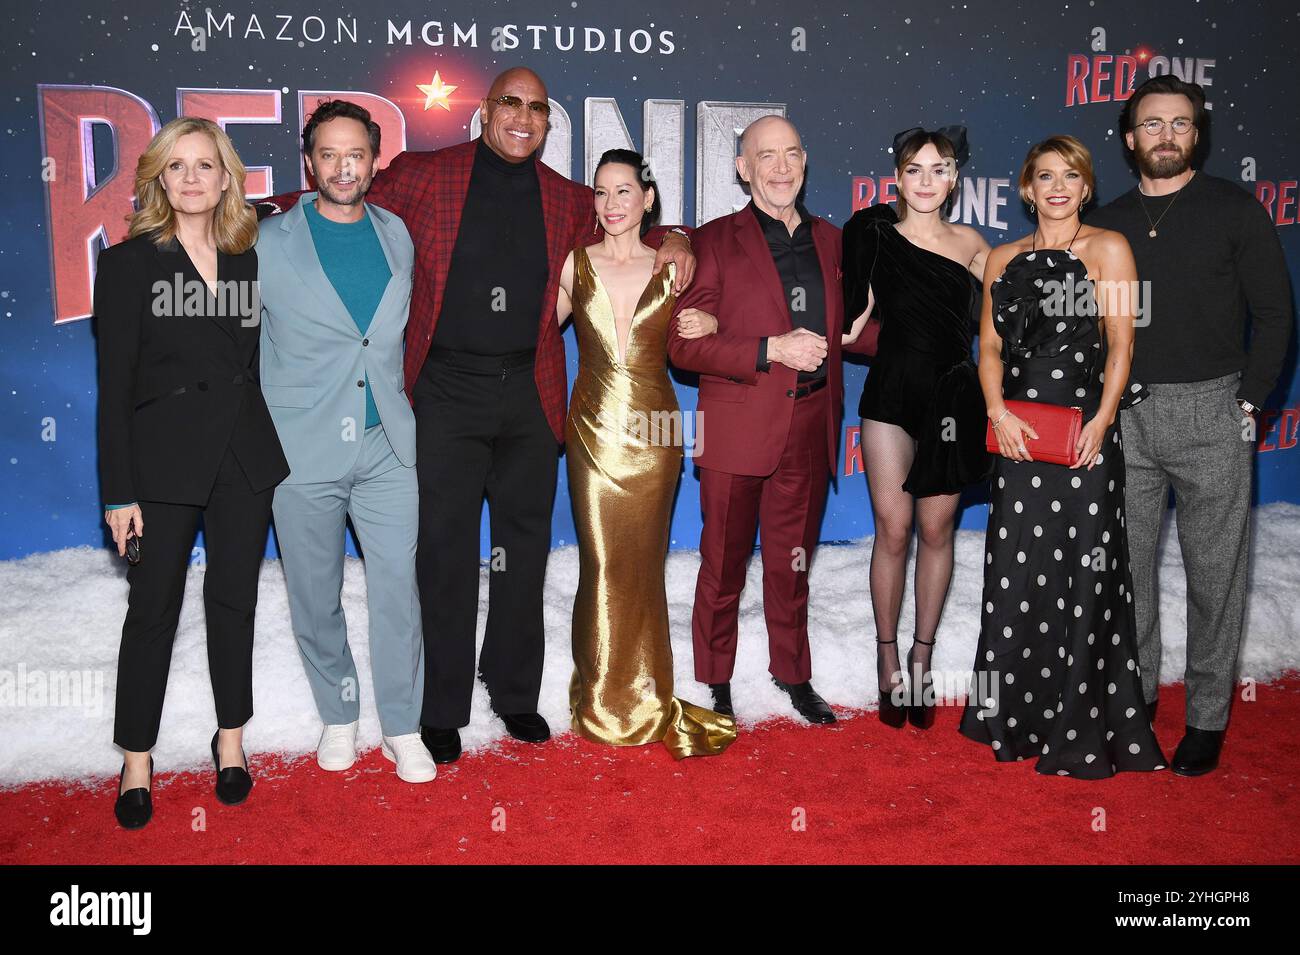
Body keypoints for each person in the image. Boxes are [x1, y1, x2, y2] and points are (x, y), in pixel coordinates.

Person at [261, 67, 693, 763]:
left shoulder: (568, 198)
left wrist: (678, 239)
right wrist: (233, 217)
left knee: (522, 552)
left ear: (549, 123)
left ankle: (515, 694)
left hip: (530, 391)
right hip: (443, 394)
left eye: (537, 109)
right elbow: (337, 197)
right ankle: (439, 708)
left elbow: (632, 221)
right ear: (485, 112)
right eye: (510, 104)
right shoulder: (428, 175)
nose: (522, 117)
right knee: (444, 552)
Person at [1087, 76, 1294, 776]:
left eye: (1180, 123)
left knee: (1217, 577)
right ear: (1129, 138)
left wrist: (1249, 402)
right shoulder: (1106, 221)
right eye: (1152, 124)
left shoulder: (1235, 211)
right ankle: (1138, 697)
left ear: (1196, 135)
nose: (1166, 135)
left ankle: (1206, 719)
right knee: (1130, 575)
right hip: (1129, 417)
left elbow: (1275, 315)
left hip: (1214, 412)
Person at [96, 117, 289, 828]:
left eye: (206, 165)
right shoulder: (127, 264)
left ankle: (230, 737)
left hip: (243, 454)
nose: (193, 179)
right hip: (162, 459)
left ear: (226, 175)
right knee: (152, 610)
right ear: (157, 178)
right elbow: (113, 388)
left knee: (234, 601)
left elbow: (307, 201)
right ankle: (138, 756)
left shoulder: (249, 254)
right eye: (177, 167)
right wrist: (118, 490)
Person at [957, 135, 1167, 779]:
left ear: (1085, 186)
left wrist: (1103, 421)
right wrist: (997, 412)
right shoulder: (1001, 257)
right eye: (1044, 176)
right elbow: (989, 348)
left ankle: (1080, 717)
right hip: (1019, 435)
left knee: (1085, 573)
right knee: (1015, 574)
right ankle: (1010, 714)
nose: (1056, 187)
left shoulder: (1109, 248)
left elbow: (1124, 346)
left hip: (1084, 436)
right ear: (1027, 187)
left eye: (1069, 176)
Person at [256, 101, 435, 783]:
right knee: (315, 589)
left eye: (354, 154)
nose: (342, 167)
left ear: (374, 159)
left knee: (397, 587)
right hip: (302, 447)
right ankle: (339, 710)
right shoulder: (269, 242)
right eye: (327, 154)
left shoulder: (397, 234)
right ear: (309, 162)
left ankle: (401, 723)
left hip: (386, 440)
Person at [556, 149, 736, 758]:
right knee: (602, 562)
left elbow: (723, 312)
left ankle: (651, 694)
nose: (611, 204)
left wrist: (712, 326)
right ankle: (603, 697)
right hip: (594, 430)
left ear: (647, 199)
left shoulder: (674, 267)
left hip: (658, 429)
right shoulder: (574, 264)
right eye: (602, 193)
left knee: (644, 563)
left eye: (624, 191)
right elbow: (526, 339)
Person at [668, 116, 847, 724]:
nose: (780, 166)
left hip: (811, 426)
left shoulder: (834, 240)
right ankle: (713, 679)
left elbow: (856, 328)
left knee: (790, 563)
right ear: (742, 169)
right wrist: (769, 347)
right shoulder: (714, 240)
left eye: (791, 153)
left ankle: (792, 673)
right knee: (721, 566)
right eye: (764, 155)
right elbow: (684, 347)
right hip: (738, 428)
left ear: (804, 161)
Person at [841, 126, 992, 729]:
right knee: (894, 527)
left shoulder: (975, 244)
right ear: (897, 177)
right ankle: (886, 660)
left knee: (936, 527)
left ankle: (921, 658)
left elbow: (1017, 303)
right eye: (915, 169)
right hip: (891, 393)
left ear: (954, 179)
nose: (926, 180)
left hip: (953, 401)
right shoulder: (875, 236)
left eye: (939, 169)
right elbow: (850, 322)